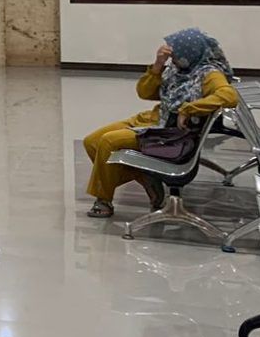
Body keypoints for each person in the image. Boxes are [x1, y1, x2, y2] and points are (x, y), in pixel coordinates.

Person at [82, 29, 238, 219]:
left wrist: (189, 109)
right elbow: (144, 92)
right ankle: (144, 176)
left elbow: (229, 96)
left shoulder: (209, 73)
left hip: (169, 132)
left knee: (108, 142)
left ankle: (104, 200)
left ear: (189, 53)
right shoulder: (176, 70)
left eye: (176, 53)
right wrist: (157, 66)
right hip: (155, 117)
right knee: (91, 142)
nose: (172, 56)